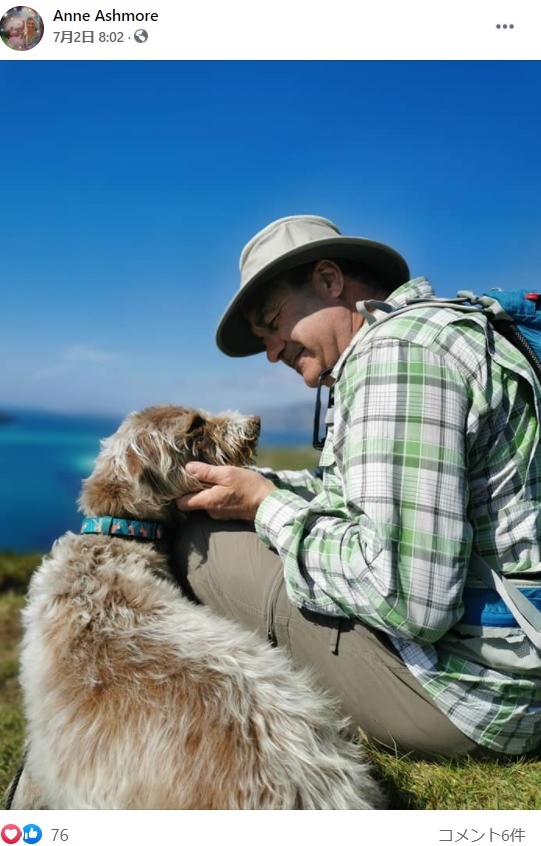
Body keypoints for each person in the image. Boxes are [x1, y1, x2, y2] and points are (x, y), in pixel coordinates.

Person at [173, 214, 541, 759]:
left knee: (196, 540)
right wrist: (260, 486)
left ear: (329, 280)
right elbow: (365, 493)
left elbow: (411, 601)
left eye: (273, 323)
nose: (272, 351)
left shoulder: (397, 359)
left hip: (475, 694)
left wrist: (266, 506)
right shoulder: (437, 334)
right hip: (519, 661)